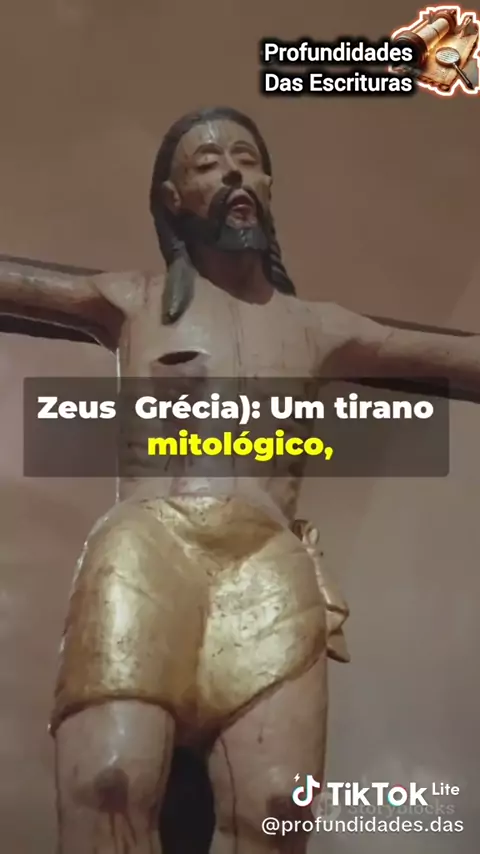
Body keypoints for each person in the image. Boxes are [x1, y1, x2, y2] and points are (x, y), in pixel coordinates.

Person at [1, 106, 479, 853]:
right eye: (207, 163)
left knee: (279, 808)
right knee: (110, 780)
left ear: (269, 183)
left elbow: (452, 357)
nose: (231, 173)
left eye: (246, 159)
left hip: (266, 562)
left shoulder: (321, 326)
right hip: (149, 546)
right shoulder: (131, 299)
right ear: (173, 199)